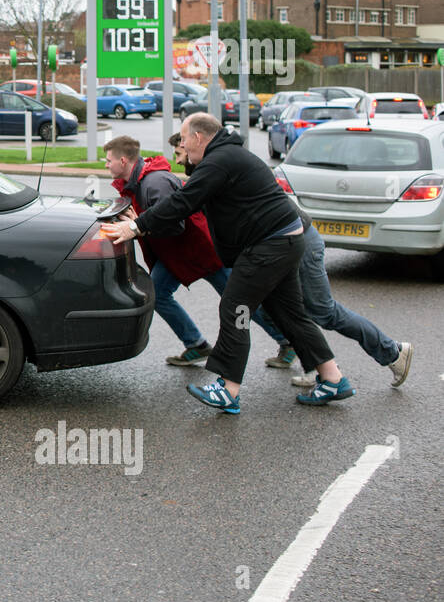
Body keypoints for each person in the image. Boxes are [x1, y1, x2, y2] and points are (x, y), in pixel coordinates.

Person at [104, 113, 352, 412]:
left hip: (270, 245)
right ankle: (333, 378)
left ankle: (228, 388)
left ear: (198, 137)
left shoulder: (218, 161)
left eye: (183, 139)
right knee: (290, 314)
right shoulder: (227, 156)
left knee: (235, 309)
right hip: (285, 240)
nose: (180, 146)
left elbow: (184, 202)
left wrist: (136, 226)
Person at [169, 132, 412, 389]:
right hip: (282, 241)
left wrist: (141, 225)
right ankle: (324, 371)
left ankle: (391, 352)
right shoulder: (210, 171)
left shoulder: (218, 167)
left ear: (197, 143)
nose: (179, 152)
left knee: (321, 311)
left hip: (298, 241)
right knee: (284, 308)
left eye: (181, 149)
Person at [103, 135, 288, 366]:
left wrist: (140, 227)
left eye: (108, 160)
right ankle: (196, 345)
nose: (106, 164)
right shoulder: (138, 182)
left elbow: (175, 224)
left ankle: (287, 341)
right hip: (178, 253)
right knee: (157, 295)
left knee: (242, 301)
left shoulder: (154, 183)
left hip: (203, 251)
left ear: (123, 160)